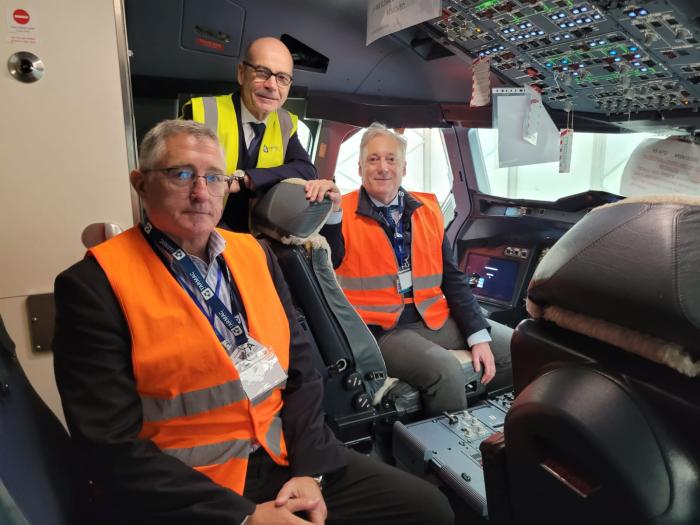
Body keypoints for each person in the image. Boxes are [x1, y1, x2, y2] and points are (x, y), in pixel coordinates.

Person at [53, 120, 453, 525]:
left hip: (283, 456)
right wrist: (246, 517)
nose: (200, 192)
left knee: (428, 510)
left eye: (214, 178)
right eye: (181, 174)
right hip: (190, 490)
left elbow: (301, 373)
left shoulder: (256, 255)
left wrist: (309, 470)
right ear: (141, 184)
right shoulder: (95, 285)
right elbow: (109, 447)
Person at [306, 123, 512, 416]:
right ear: (360, 166)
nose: (382, 168)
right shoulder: (339, 213)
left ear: (403, 167)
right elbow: (331, 260)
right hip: (382, 330)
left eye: (391, 159)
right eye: (373, 159)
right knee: (446, 370)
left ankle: (492, 427)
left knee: (513, 347)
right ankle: (450, 451)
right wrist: (333, 215)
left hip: (433, 317)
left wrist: (477, 334)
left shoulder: (427, 210)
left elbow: (453, 279)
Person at [181, 37, 316, 232]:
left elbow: (306, 170)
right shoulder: (200, 112)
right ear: (242, 73)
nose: (272, 85)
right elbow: (177, 180)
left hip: (252, 240)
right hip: (198, 230)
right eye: (262, 72)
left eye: (282, 78)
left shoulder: (287, 124)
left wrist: (246, 179)